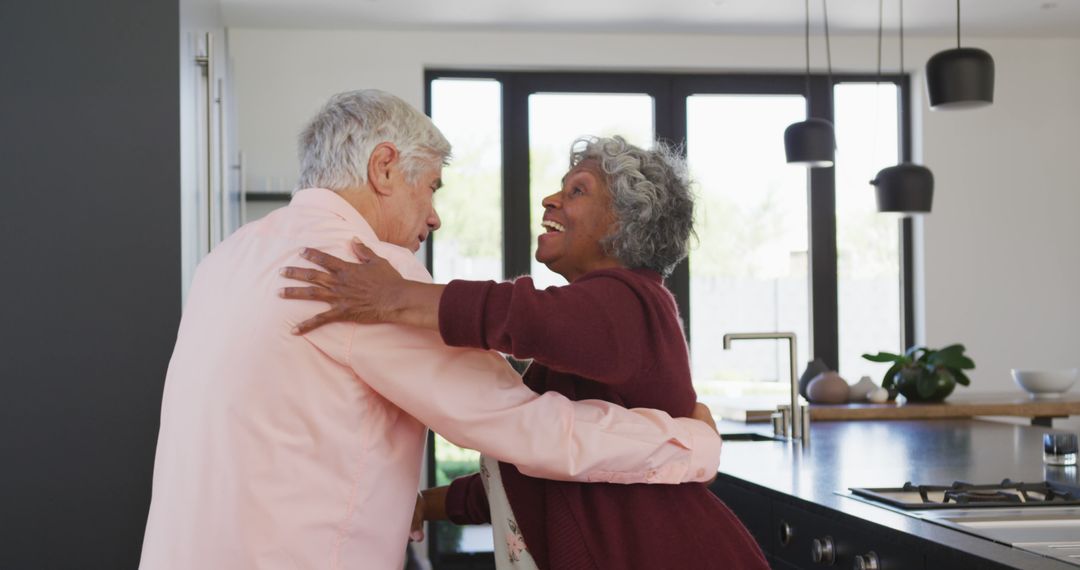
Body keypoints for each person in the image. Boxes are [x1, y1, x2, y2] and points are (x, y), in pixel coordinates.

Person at [139, 91, 725, 570]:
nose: (436, 215)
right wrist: (693, 443)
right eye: (432, 187)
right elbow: (524, 430)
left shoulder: (229, 257)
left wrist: (429, 502)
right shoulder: (359, 273)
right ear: (385, 167)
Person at [281, 135, 769, 569]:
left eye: (576, 190)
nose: (549, 200)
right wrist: (425, 505)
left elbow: (522, 314)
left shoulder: (633, 301)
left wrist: (398, 296)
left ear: (622, 221)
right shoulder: (598, 327)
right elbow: (527, 471)